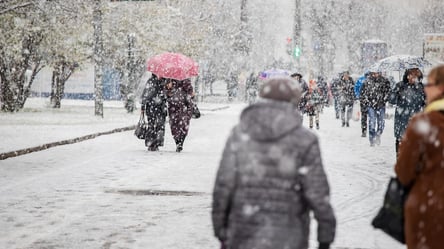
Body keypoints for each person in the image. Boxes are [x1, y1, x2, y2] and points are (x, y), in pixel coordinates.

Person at [212, 77, 336, 249]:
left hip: (243, 231)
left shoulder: (239, 134)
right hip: (288, 235)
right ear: (294, 101)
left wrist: (220, 227)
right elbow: (317, 192)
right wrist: (325, 236)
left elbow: (224, 184)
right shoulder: (305, 140)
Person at [394, 65, 444, 249]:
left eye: (429, 84)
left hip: (429, 210)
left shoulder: (424, 124)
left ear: (440, 88)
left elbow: (404, 172)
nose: (425, 88)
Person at [388, 68, 425, 155]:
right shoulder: (400, 86)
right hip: (402, 119)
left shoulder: (421, 88)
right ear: (407, 76)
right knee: (401, 139)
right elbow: (391, 100)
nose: (413, 77)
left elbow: (426, 102)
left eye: (415, 75)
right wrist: (396, 92)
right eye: (411, 75)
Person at [359, 71, 391, 146]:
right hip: (371, 105)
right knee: (372, 122)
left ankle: (378, 134)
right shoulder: (367, 82)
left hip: (381, 105)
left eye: (377, 72)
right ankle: (372, 139)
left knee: (381, 124)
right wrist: (366, 101)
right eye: (374, 72)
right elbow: (362, 93)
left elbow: (388, 92)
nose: (376, 74)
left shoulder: (385, 81)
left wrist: (385, 99)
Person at [164, 78, 195, 152]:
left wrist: (191, 94)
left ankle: (179, 142)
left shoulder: (186, 81)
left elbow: (191, 94)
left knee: (181, 126)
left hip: (183, 107)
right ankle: (178, 142)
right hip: (174, 108)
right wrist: (168, 89)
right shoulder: (170, 80)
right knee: (176, 126)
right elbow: (166, 93)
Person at [140, 74, 167, 151]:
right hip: (151, 107)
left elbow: (167, 95)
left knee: (160, 126)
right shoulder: (151, 81)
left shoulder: (164, 81)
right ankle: (151, 143)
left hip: (160, 108)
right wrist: (143, 107)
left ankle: (157, 143)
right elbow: (145, 94)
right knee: (151, 125)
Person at [354, 71, 370, 137]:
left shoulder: (362, 80)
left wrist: (358, 96)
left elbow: (356, 88)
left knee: (365, 116)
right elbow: (356, 88)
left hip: (368, 100)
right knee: (364, 116)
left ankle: (365, 130)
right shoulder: (361, 80)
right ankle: (364, 130)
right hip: (364, 100)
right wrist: (358, 95)